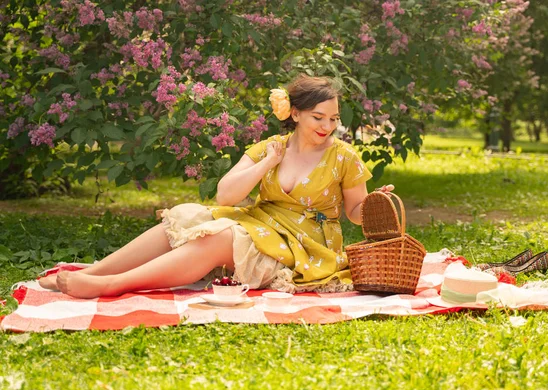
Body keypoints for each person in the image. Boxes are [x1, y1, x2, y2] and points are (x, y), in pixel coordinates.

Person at [39, 74, 394, 298]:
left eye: (333, 118)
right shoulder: (271, 147)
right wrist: (268, 162)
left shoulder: (344, 156)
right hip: (262, 222)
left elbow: (355, 213)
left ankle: (112, 286)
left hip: (305, 245)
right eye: (318, 117)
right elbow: (226, 195)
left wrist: (377, 204)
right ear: (295, 114)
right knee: (188, 214)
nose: (327, 126)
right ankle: (90, 273)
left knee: (219, 237)